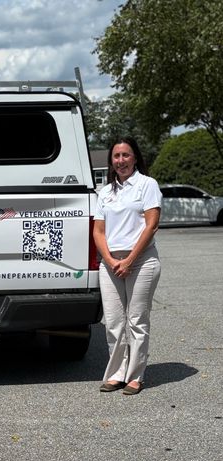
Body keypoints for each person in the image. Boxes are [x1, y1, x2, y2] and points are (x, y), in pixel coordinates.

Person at [93, 137, 162, 395]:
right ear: (111, 161)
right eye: (116, 156)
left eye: (125, 155)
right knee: (113, 321)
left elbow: (151, 225)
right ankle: (116, 374)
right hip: (111, 262)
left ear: (135, 158)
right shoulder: (106, 192)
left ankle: (135, 376)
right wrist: (111, 261)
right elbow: (98, 232)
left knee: (136, 320)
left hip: (141, 260)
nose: (120, 161)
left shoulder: (147, 185)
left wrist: (130, 260)